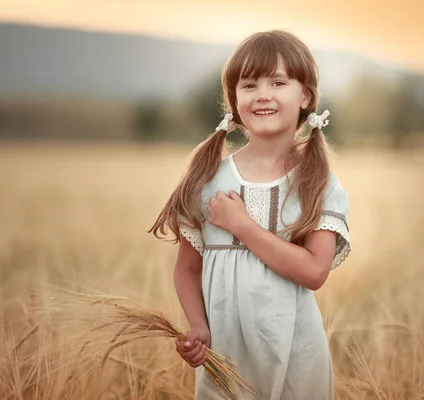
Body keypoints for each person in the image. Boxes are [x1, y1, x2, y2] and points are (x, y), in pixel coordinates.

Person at [149, 30, 351, 400]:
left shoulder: (315, 181)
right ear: (233, 100)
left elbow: (314, 271)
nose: (262, 94)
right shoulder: (209, 179)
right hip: (226, 363)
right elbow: (187, 268)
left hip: (296, 360)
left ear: (304, 95)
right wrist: (197, 326)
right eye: (249, 85)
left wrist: (242, 225)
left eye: (278, 82)